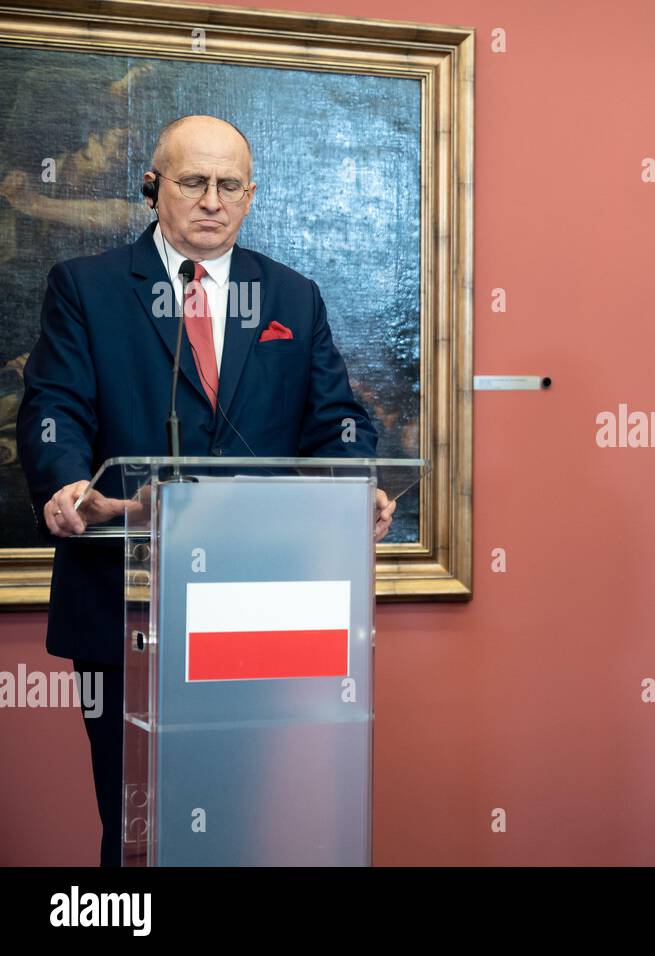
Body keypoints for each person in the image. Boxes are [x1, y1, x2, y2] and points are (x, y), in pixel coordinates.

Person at [16, 114, 396, 867]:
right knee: (136, 825)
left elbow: (338, 421)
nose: (212, 201)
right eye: (194, 182)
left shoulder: (291, 296)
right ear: (154, 187)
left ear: (251, 196)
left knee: (239, 818)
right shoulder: (87, 288)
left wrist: (361, 483)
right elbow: (53, 406)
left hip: (259, 607)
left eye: (230, 186)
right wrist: (69, 488)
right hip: (127, 599)